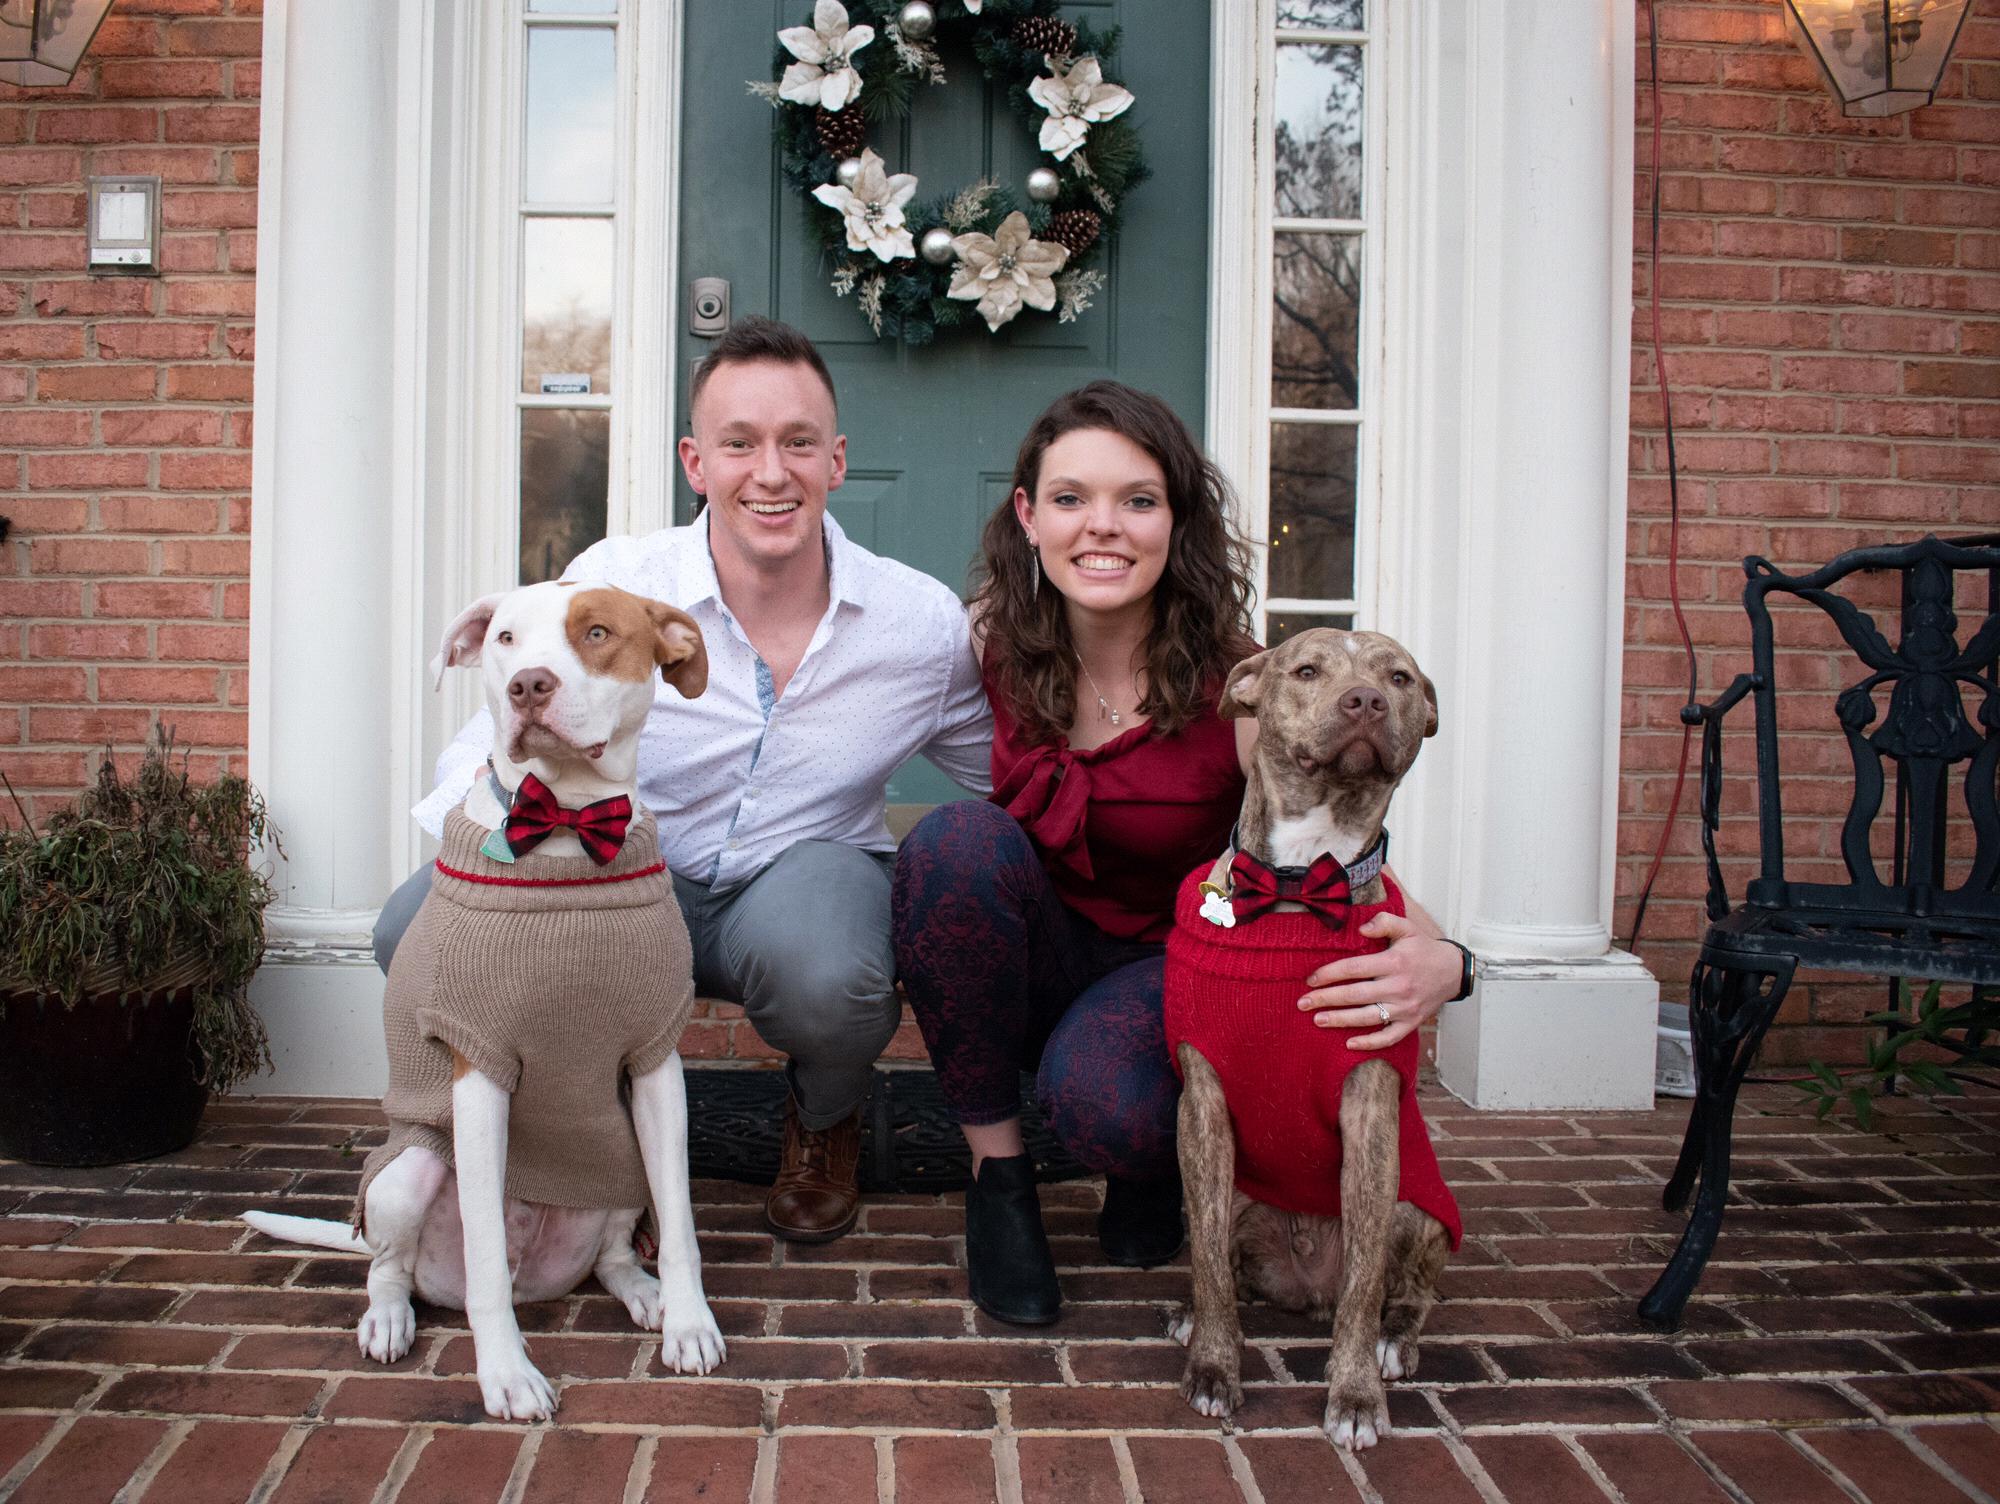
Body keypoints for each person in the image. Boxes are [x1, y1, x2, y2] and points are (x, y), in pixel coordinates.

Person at [379, 317, 992, 1244]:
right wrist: (485, 859)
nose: (771, 472)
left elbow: (1006, 768)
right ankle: (579, 1135)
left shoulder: (918, 623)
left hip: (792, 881)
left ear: (838, 459)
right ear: (695, 462)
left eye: (798, 443)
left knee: (839, 980)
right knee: (409, 933)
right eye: (739, 443)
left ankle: (826, 1122)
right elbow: (489, 739)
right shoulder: (617, 580)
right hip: (610, 870)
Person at [891, 381, 1464, 1326]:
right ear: (1029, 517)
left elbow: (1328, 839)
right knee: (953, 844)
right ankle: (1001, 1186)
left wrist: (1445, 956)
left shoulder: (1241, 682)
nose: (1103, 527)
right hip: (1041, 949)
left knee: (1109, 1107)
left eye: (1139, 500)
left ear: (1176, 521)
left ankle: (1151, 1163)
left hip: (1180, 967)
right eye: (1071, 498)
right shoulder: (989, 640)